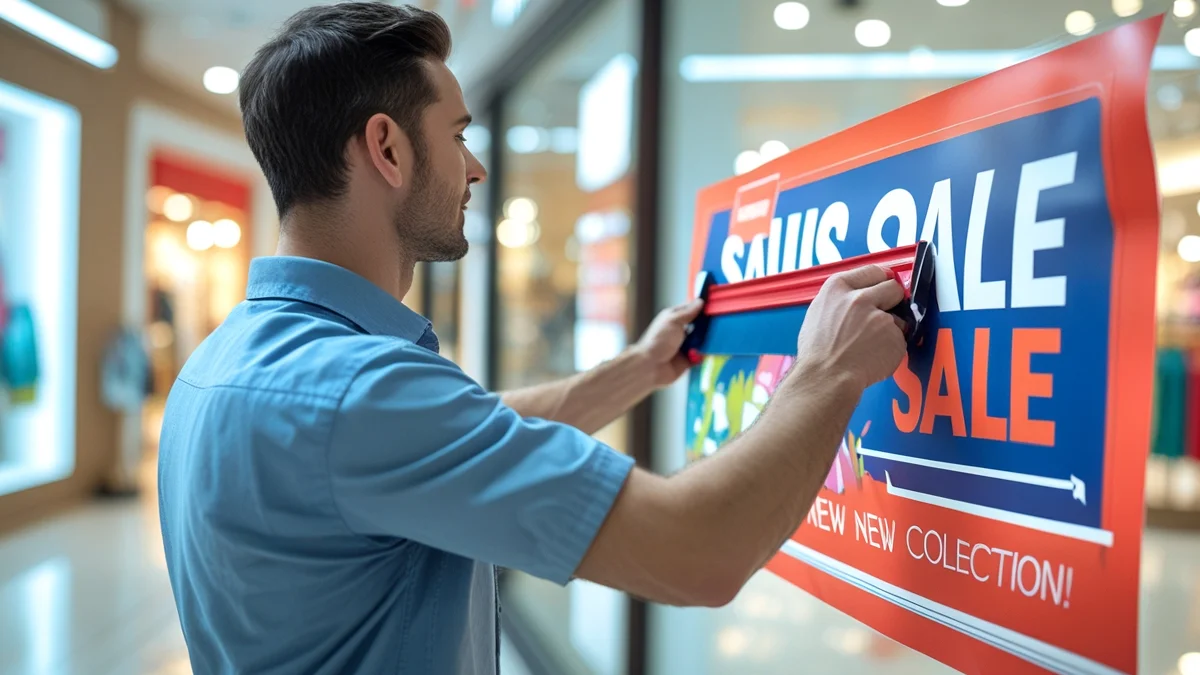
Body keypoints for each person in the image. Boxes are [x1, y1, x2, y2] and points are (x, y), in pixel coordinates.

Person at [155, 3, 908, 674]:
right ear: (385, 148)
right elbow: (699, 551)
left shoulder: (228, 363)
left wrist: (636, 370)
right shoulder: (358, 393)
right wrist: (825, 371)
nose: (475, 166)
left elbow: (460, 438)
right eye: (456, 134)